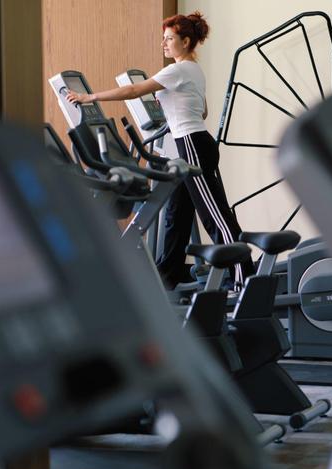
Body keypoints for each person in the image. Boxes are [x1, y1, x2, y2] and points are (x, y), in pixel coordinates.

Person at [67, 12, 255, 290]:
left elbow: (133, 90)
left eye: (169, 39)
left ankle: (245, 280)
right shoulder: (193, 70)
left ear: (186, 41)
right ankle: (168, 276)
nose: (164, 44)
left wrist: (89, 97)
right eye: (163, 39)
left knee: (215, 216)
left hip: (191, 144)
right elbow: (202, 110)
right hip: (193, 141)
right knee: (176, 214)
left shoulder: (176, 70)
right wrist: (172, 103)